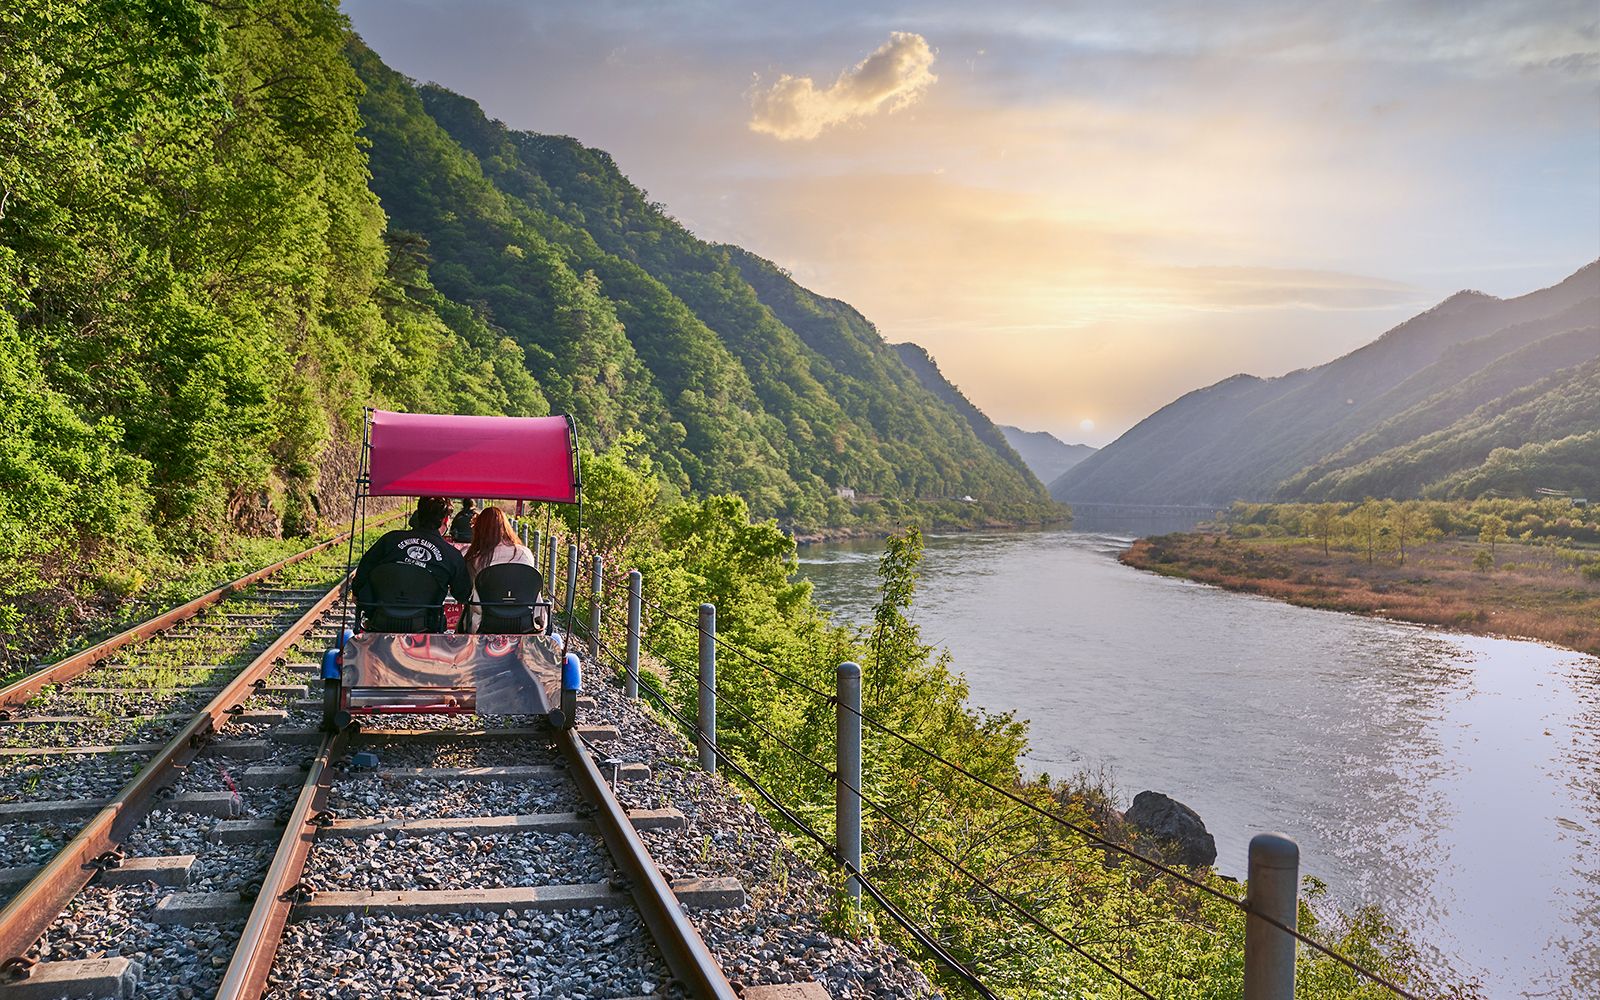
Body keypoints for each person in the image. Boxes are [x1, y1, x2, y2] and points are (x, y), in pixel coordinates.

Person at [352, 497, 471, 631]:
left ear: (418, 515)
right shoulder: (452, 555)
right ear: (445, 520)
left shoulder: (389, 540)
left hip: (380, 620)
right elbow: (463, 593)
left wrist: (356, 592)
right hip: (425, 626)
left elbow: (363, 570)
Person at [459, 506, 540, 633]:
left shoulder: (474, 559)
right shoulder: (526, 554)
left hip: (486, 624)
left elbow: (466, 591)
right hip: (525, 622)